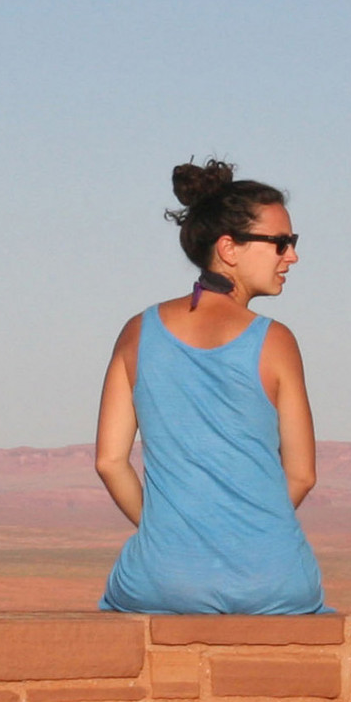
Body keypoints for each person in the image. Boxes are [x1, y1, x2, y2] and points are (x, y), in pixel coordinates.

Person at [94, 159, 329, 614]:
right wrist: (247, 535)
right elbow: (302, 475)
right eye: (281, 243)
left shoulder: (137, 333)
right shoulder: (275, 342)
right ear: (229, 248)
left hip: (162, 579)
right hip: (272, 580)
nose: (292, 256)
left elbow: (109, 462)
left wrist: (174, 532)